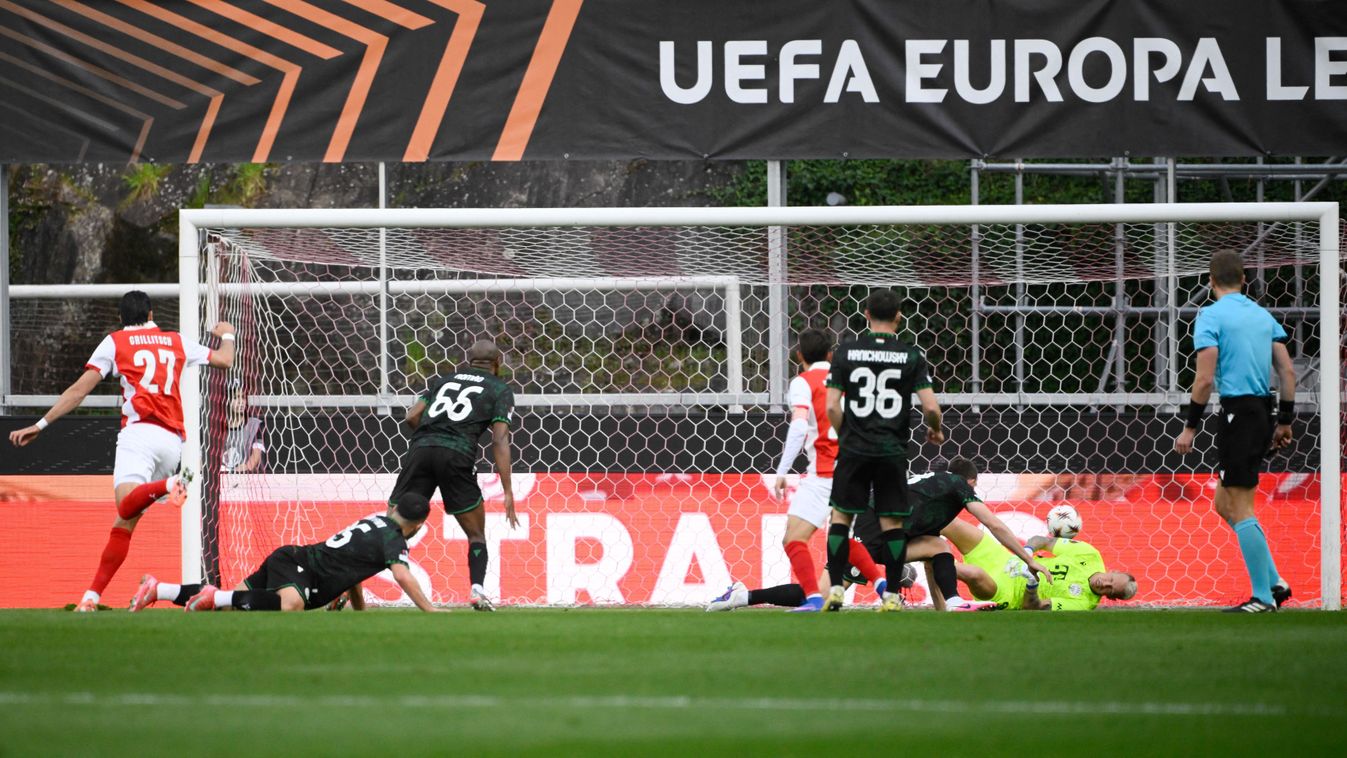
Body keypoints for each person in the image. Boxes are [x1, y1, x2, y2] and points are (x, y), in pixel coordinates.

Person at [8, 290, 235, 612]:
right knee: (123, 523)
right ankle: (92, 596)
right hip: (172, 443)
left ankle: (169, 486)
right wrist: (227, 333)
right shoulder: (175, 340)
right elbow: (225, 360)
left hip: (139, 434)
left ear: (120, 318)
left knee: (124, 506)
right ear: (152, 314)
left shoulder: (115, 342)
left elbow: (79, 391)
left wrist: (41, 425)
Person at [1172, 249, 1295, 613]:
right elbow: (1287, 373)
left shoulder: (1210, 316)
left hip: (1238, 415)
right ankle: (1275, 583)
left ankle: (1263, 598)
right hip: (1262, 412)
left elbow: (1205, 378)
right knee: (1223, 503)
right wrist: (1285, 421)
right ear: (1244, 279)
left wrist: (1189, 427)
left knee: (1240, 507)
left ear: (1210, 282)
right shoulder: (1262, 315)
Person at [822, 289, 944, 612]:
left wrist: (847, 434)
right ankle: (890, 595)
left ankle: (835, 588)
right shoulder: (911, 355)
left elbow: (832, 405)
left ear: (865, 314)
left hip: (855, 449)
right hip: (892, 451)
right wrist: (935, 427)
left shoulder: (846, 351)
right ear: (899, 316)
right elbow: (930, 406)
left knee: (840, 519)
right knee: (892, 525)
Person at [128, 493, 440, 612]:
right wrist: (431, 610)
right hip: (301, 567)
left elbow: (353, 574)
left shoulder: (374, 522)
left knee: (228, 606)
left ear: (395, 508)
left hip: (292, 558)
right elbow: (402, 575)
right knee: (290, 605)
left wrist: (360, 614)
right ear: (419, 524)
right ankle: (214, 596)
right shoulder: (394, 541)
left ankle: (159, 589)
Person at [392, 339, 519, 611]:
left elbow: (412, 415)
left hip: (421, 451)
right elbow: (499, 441)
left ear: (469, 360)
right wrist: (508, 490)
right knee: (475, 534)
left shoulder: (443, 380)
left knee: (392, 528)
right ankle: (477, 591)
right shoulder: (500, 389)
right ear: (498, 364)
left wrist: (430, 440)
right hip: (457, 456)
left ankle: (352, 581)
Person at [850, 458, 1050, 611]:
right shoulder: (958, 484)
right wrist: (1028, 560)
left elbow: (930, 562)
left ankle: (953, 603)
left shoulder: (931, 486)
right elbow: (993, 523)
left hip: (864, 528)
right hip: (874, 535)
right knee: (833, 587)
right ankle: (943, 601)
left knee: (937, 546)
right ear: (971, 481)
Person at [946, 518, 1136, 611]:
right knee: (950, 523)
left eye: (1110, 590)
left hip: (1005, 592)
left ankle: (929, 558)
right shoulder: (1089, 554)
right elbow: (1041, 540)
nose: (1105, 584)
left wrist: (1031, 585)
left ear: (1111, 598)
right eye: (1110, 579)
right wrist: (1028, 554)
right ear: (1113, 571)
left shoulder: (1082, 604)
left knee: (973, 574)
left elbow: (1032, 607)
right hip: (1005, 560)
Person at [221, 381, 265, 473]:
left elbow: (255, 457)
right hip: (221, 477)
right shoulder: (216, 428)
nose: (241, 401)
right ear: (226, 400)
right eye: (236, 397)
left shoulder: (255, 425)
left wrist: (245, 467)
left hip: (246, 478)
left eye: (243, 397)